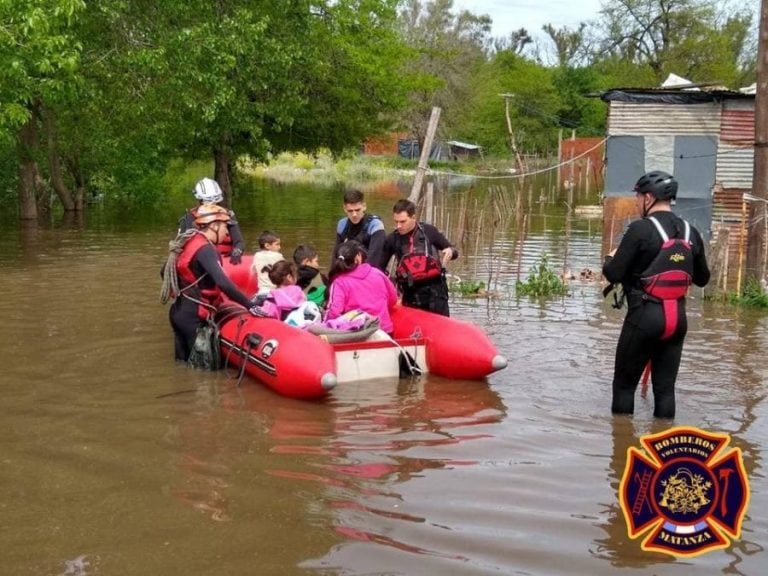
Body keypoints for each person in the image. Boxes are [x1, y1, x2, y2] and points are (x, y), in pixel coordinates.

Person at [602, 170, 710, 419]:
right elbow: (703, 278)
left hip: (644, 318)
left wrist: (610, 257)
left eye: (638, 197)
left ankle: (622, 451)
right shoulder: (690, 231)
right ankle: (662, 447)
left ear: (648, 197)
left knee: (624, 388)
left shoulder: (639, 229)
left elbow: (614, 274)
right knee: (665, 391)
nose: (637, 202)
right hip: (677, 321)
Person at [162, 203, 255, 362]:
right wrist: (250, 305)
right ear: (214, 225)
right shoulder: (205, 249)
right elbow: (223, 283)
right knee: (204, 375)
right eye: (225, 226)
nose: (227, 233)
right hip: (194, 317)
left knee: (182, 367)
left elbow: (164, 271)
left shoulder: (189, 241)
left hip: (179, 312)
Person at [378, 198, 457, 317]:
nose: (398, 226)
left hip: (436, 294)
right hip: (410, 295)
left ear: (413, 218)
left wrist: (451, 251)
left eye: (403, 221)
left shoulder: (429, 231)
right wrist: (392, 291)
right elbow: (379, 269)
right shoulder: (392, 239)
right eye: (396, 222)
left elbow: (454, 251)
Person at [325, 240, 398, 333]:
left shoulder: (339, 282)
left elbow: (334, 311)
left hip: (359, 333)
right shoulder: (378, 273)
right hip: (385, 330)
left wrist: (325, 324)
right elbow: (393, 300)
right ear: (358, 257)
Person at [178, 177, 245, 264]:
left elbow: (239, 242)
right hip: (203, 259)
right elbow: (184, 246)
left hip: (226, 259)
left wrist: (237, 252)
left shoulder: (227, 215)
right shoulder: (190, 218)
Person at [333, 189, 386, 270]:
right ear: (344, 208)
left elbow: (374, 259)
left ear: (364, 206)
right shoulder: (342, 224)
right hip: (348, 268)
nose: (354, 215)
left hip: (370, 270)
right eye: (350, 211)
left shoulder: (376, 225)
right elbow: (335, 256)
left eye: (357, 210)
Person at [251, 230, 284, 295]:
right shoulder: (278, 256)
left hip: (262, 292)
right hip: (275, 292)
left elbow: (254, 270)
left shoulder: (257, 255)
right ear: (267, 246)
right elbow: (286, 270)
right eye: (277, 244)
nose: (279, 247)